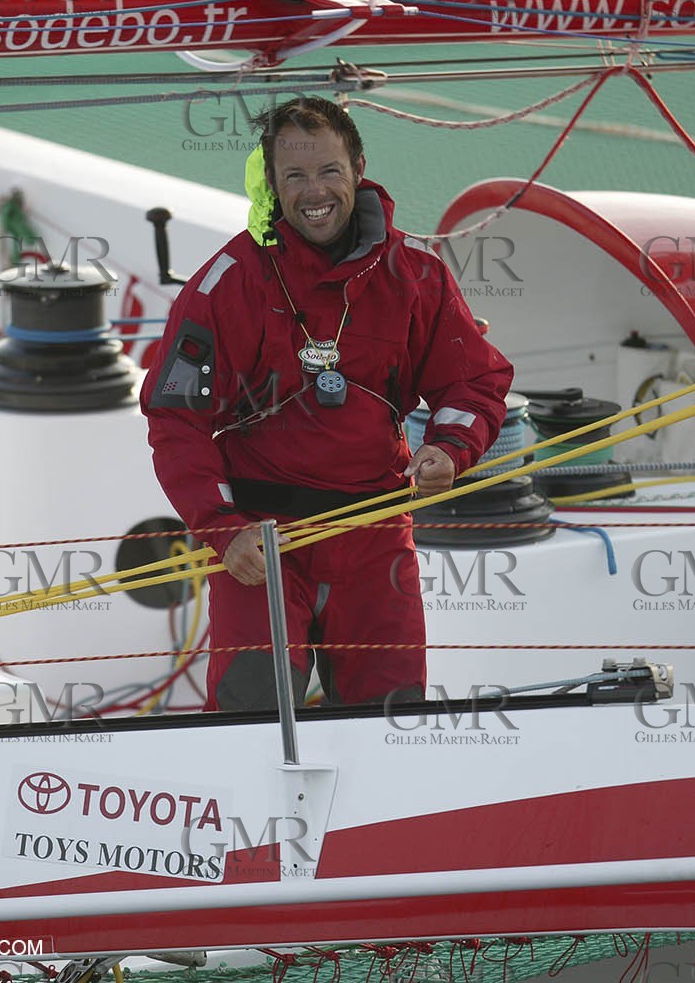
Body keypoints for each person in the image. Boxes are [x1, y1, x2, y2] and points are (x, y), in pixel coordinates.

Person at [141, 96, 513, 711]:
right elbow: (175, 419)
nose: (314, 191)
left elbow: (473, 382)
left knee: (391, 718)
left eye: (329, 171)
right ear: (272, 182)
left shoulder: (416, 274)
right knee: (250, 715)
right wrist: (220, 529)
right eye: (294, 176)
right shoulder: (225, 283)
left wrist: (451, 449)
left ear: (358, 168)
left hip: (376, 533)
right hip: (258, 544)